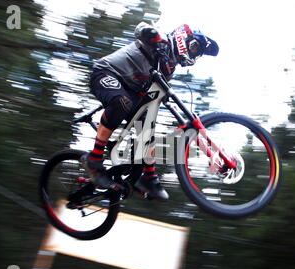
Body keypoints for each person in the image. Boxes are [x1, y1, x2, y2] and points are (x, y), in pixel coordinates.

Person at [86, 22, 219, 200]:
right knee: (121, 102)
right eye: (194, 48)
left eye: (198, 53)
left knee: (147, 124)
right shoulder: (160, 41)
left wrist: (207, 149)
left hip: (129, 90)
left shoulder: (167, 69)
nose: (194, 54)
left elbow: (154, 99)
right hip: (105, 74)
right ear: (183, 38)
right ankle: (94, 161)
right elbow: (140, 29)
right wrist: (153, 34)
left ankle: (148, 177)